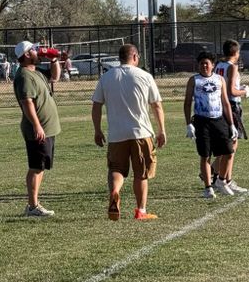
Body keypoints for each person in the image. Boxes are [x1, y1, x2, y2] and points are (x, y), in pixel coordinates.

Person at [91, 42, 166, 221]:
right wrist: (161, 130)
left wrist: (97, 130)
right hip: (141, 132)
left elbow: (96, 105)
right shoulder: (145, 76)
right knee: (141, 173)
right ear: (134, 57)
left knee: (116, 168)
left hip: (116, 134)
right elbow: (156, 105)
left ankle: (115, 191)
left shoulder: (106, 77)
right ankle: (141, 210)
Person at [12, 40, 62, 217]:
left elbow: (55, 77)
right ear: (26, 55)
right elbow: (27, 103)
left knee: (40, 166)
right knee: (36, 166)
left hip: (47, 128)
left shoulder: (36, 72)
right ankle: (32, 206)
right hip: (38, 129)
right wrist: (37, 126)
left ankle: (34, 204)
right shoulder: (24, 76)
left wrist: (53, 59)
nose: (37, 51)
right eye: (34, 49)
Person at [183, 52, 237, 200]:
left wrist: (231, 124)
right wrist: (189, 124)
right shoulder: (194, 80)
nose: (204, 66)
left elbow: (225, 102)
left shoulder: (219, 79)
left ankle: (221, 181)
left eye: (207, 63)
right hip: (201, 121)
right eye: (202, 63)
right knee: (205, 155)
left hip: (218, 120)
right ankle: (208, 188)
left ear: (213, 65)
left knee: (228, 151)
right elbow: (187, 103)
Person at [214, 40, 249, 194]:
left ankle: (222, 178)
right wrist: (245, 91)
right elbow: (231, 91)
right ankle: (224, 180)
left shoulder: (218, 66)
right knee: (232, 145)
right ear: (236, 52)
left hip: (220, 105)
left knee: (228, 145)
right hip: (232, 106)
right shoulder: (232, 67)